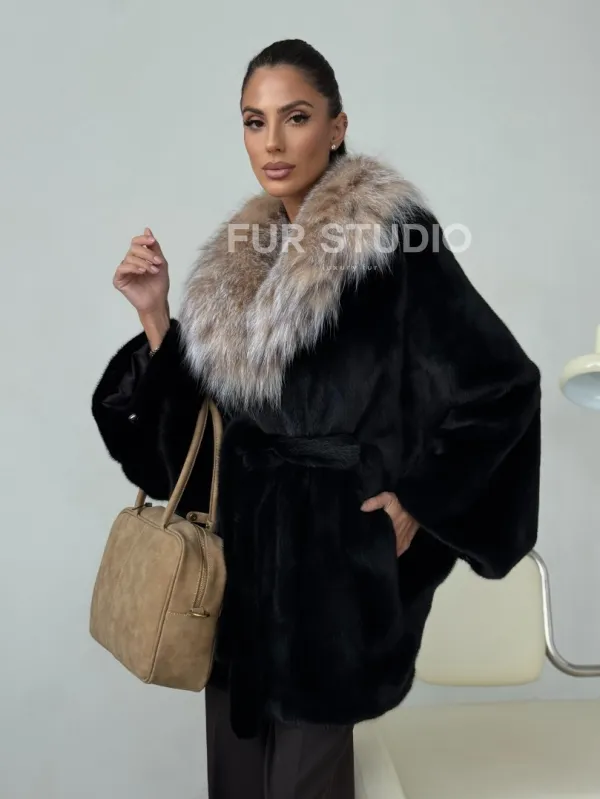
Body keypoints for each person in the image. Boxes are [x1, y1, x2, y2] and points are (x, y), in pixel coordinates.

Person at [91, 38, 542, 799]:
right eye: (254, 121)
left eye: (294, 117)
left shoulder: (394, 242)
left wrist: (419, 502)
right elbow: (204, 436)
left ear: (336, 127)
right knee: (237, 784)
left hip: (333, 580)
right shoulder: (241, 259)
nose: (272, 141)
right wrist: (158, 316)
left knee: (306, 784)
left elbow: (502, 386)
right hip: (240, 576)